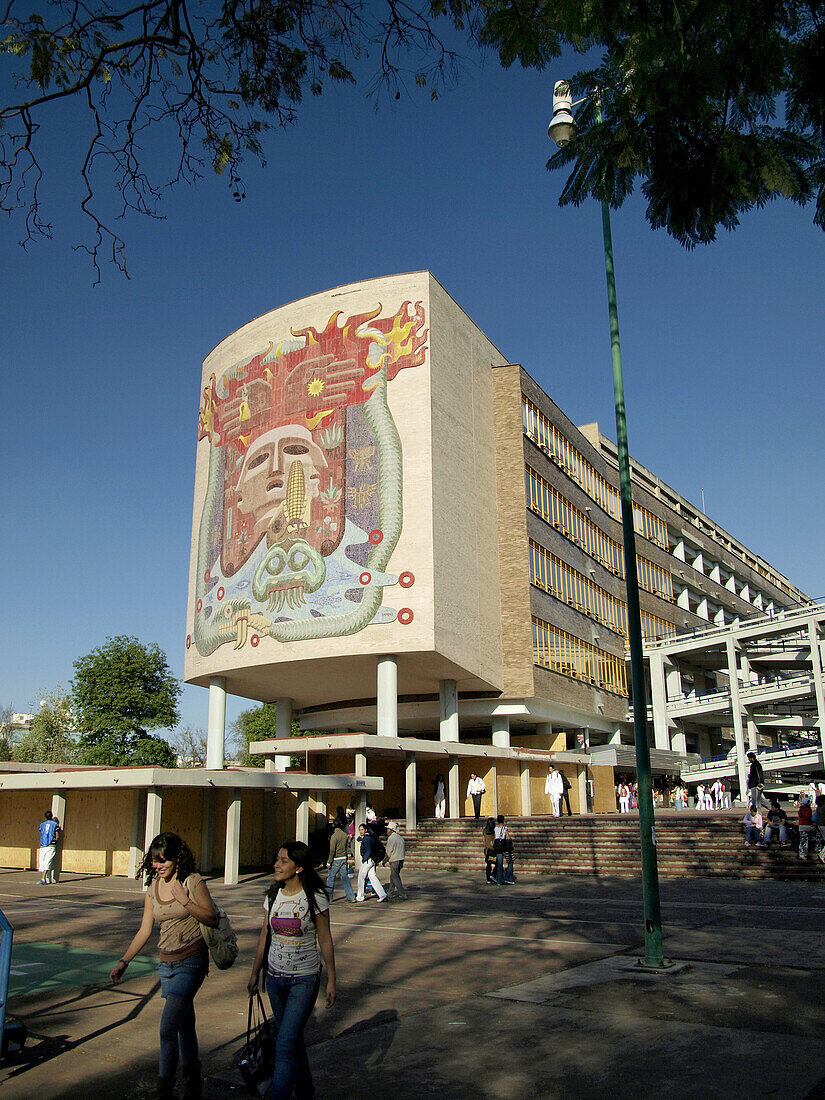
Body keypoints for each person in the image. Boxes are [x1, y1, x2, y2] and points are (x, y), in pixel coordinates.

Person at [110, 832, 218, 1100]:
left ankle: (164, 1090)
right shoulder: (153, 888)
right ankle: (194, 1086)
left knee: (167, 1027)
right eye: (155, 861)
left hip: (191, 962)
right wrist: (125, 961)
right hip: (166, 965)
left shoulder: (192, 882)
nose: (159, 866)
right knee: (184, 1025)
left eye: (164, 861)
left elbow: (211, 917)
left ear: (177, 859)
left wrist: (185, 900)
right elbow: (145, 930)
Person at [248, 841, 336, 1100]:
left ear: (298, 867)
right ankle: (305, 1091)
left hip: (304, 980)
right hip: (275, 979)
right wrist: (255, 972)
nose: (277, 865)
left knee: (285, 1043)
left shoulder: (315, 897)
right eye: (277, 859)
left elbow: (325, 938)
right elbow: (265, 934)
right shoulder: (272, 895)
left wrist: (332, 979)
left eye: (284, 861)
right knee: (292, 1040)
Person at [325, 813, 355, 902]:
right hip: (344, 858)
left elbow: (332, 851)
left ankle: (329, 897)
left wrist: (329, 862)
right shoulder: (344, 835)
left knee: (330, 878)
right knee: (345, 877)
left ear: (333, 825)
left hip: (336, 859)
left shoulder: (334, 837)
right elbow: (346, 847)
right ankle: (351, 896)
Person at [355, 824, 387, 902]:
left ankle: (360, 896)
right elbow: (359, 839)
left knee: (361, 877)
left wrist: (364, 859)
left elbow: (368, 850)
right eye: (360, 829)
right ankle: (382, 894)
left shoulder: (366, 839)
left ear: (366, 830)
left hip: (367, 860)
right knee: (372, 877)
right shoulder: (370, 837)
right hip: (372, 860)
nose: (360, 831)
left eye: (362, 829)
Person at [382, 821, 408, 900]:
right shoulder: (400, 838)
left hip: (394, 860)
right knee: (393, 876)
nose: (387, 831)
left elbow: (388, 851)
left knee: (395, 877)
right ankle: (390, 891)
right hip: (401, 859)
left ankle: (402, 894)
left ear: (391, 830)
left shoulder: (391, 838)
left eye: (388, 830)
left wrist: (384, 861)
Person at [37, 809, 61, 885]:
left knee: (43, 862)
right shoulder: (55, 825)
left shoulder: (41, 825)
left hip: (43, 845)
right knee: (47, 862)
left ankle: (43, 878)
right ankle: (43, 878)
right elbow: (57, 836)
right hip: (51, 845)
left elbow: (41, 833)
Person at [493, 815, 515, 885]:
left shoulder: (495, 828)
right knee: (510, 860)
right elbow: (508, 837)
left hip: (497, 846)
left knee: (499, 863)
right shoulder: (505, 828)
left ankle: (499, 880)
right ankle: (509, 878)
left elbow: (494, 837)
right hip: (504, 847)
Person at [482, 818, 497, 884]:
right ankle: (492, 875)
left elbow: (483, 840)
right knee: (497, 863)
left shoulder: (484, 831)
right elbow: (495, 839)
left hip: (487, 850)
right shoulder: (494, 831)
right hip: (492, 850)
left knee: (488, 864)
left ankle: (488, 878)